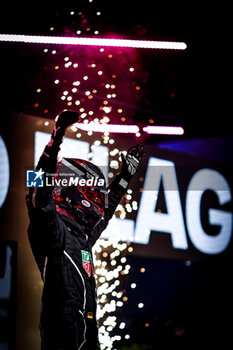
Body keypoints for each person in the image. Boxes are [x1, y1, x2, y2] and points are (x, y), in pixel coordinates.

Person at [26, 110, 145, 350]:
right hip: (63, 336)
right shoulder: (53, 228)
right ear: (71, 189)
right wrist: (56, 137)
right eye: (92, 192)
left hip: (87, 332)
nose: (97, 200)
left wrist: (124, 176)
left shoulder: (82, 234)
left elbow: (108, 208)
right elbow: (38, 192)